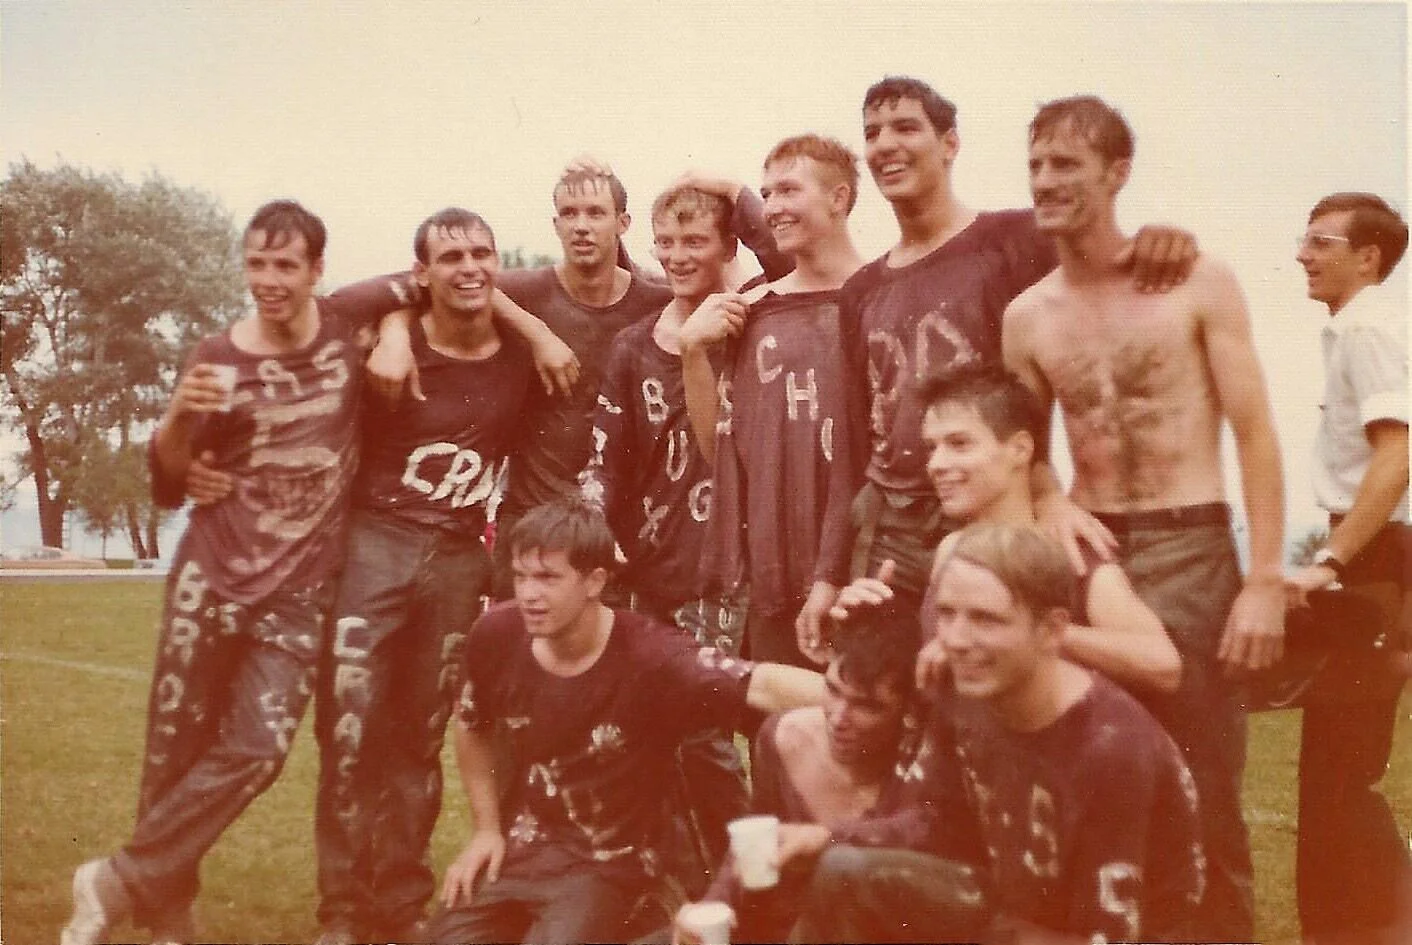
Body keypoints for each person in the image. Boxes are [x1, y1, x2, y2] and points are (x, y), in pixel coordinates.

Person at [60, 201, 416, 945]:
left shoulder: (347, 323)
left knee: (260, 748)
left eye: (286, 264)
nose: (269, 280)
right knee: (173, 755)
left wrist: (396, 329)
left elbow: (420, 281)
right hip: (210, 579)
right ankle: (167, 920)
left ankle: (116, 879)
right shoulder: (217, 356)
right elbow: (167, 483)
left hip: (298, 591)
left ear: (319, 271)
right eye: (256, 263)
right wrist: (177, 423)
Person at [1001, 95, 1285, 940]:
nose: (1046, 181)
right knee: (1099, 779)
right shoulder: (1029, 316)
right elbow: (1027, 445)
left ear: (1117, 173)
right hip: (1094, 553)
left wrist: (1264, 578)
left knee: (1208, 793)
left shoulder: (1196, 281)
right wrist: (1050, 497)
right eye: (1037, 165)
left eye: (1067, 165)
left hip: (1194, 544)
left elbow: (1257, 431)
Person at [838, 76, 1198, 613]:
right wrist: (829, 572)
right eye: (872, 133)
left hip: (992, 505)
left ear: (950, 144)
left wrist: (1161, 238)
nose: (886, 144)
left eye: (906, 127)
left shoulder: (1014, 239)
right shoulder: (862, 290)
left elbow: (1096, 262)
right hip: (890, 523)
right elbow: (852, 439)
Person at [777, 522, 1206, 944]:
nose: (957, 640)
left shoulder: (1111, 749)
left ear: (1053, 630)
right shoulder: (967, 689)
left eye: (986, 619)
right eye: (947, 614)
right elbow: (936, 823)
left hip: (1100, 934)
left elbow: (1106, 937)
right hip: (1012, 913)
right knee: (840, 871)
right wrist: (826, 836)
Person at [425, 499, 823, 945]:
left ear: (594, 581)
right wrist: (485, 830)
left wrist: (856, 699)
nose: (529, 595)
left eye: (548, 578)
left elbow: (762, 684)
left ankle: (650, 911)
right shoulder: (496, 634)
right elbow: (472, 724)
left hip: (610, 861)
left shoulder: (651, 657)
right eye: (521, 576)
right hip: (524, 848)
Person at [312, 209, 539, 945]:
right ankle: (343, 908)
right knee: (349, 728)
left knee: (419, 736)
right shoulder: (388, 340)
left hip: (457, 554)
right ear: (423, 271)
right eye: (450, 256)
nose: (469, 267)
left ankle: (401, 902)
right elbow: (330, 307)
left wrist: (538, 332)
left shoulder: (516, 352)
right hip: (376, 538)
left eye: (482, 252)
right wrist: (398, 321)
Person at [840, 362, 1182, 698]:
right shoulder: (952, 547)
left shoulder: (1066, 550)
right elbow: (934, 674)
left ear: (1019, 449)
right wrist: (869, 622)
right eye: (932, 447)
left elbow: (1162, 665)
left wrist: (1037, 634)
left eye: (959, 444)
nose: (936, 464)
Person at [681, 134, 864, 667]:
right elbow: (722, 452)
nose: (775, 207)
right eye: (766, 194)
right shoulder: (752, 312)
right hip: (775, 576)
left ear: (839, 198)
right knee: (776, 738)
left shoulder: (879, 296)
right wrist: (693, 353)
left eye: (789, 190)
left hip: (865, 568)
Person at [1284, 192, 1410, 944]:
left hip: (1372, 558)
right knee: (1338, 774)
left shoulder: (1366, 327)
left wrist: (1330, 562)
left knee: (1341, 775)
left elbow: (1395, 459)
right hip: (1371, 557)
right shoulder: (1357, 328)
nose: (1302, 253)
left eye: (1321, 241)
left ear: (1369, 256)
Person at [673, 602, 924, 944]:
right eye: (833, 690)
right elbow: (758, 845)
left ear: (907, 713)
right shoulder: (786, 738)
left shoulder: (923, 769)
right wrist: (713, 906)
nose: (838, 717)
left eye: (866, 706)